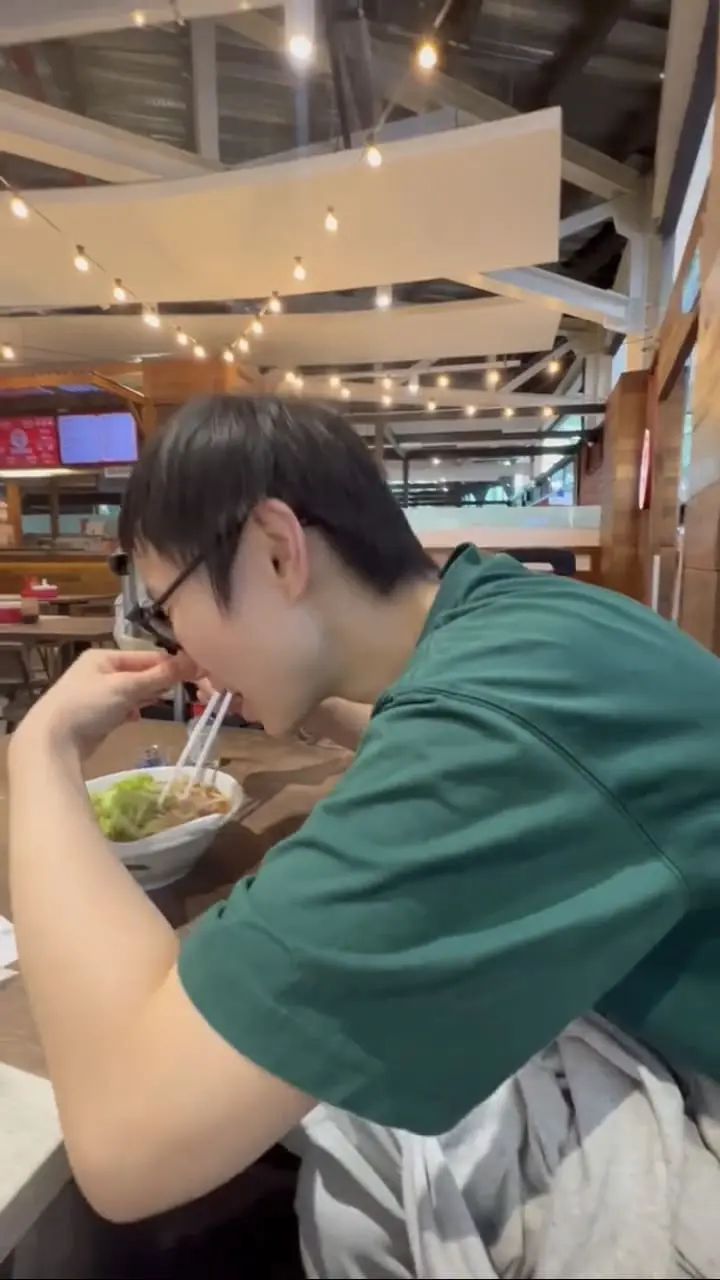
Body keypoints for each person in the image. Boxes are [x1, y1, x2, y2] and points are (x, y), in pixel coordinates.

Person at [8, 395, 720, 1277]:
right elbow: (454, 738)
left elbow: (125, 1145)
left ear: (277, 550)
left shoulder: (493, 728)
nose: (174, 648)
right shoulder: (517, 623)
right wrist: (314, 708)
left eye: (165, 608)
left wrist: (37, 754)